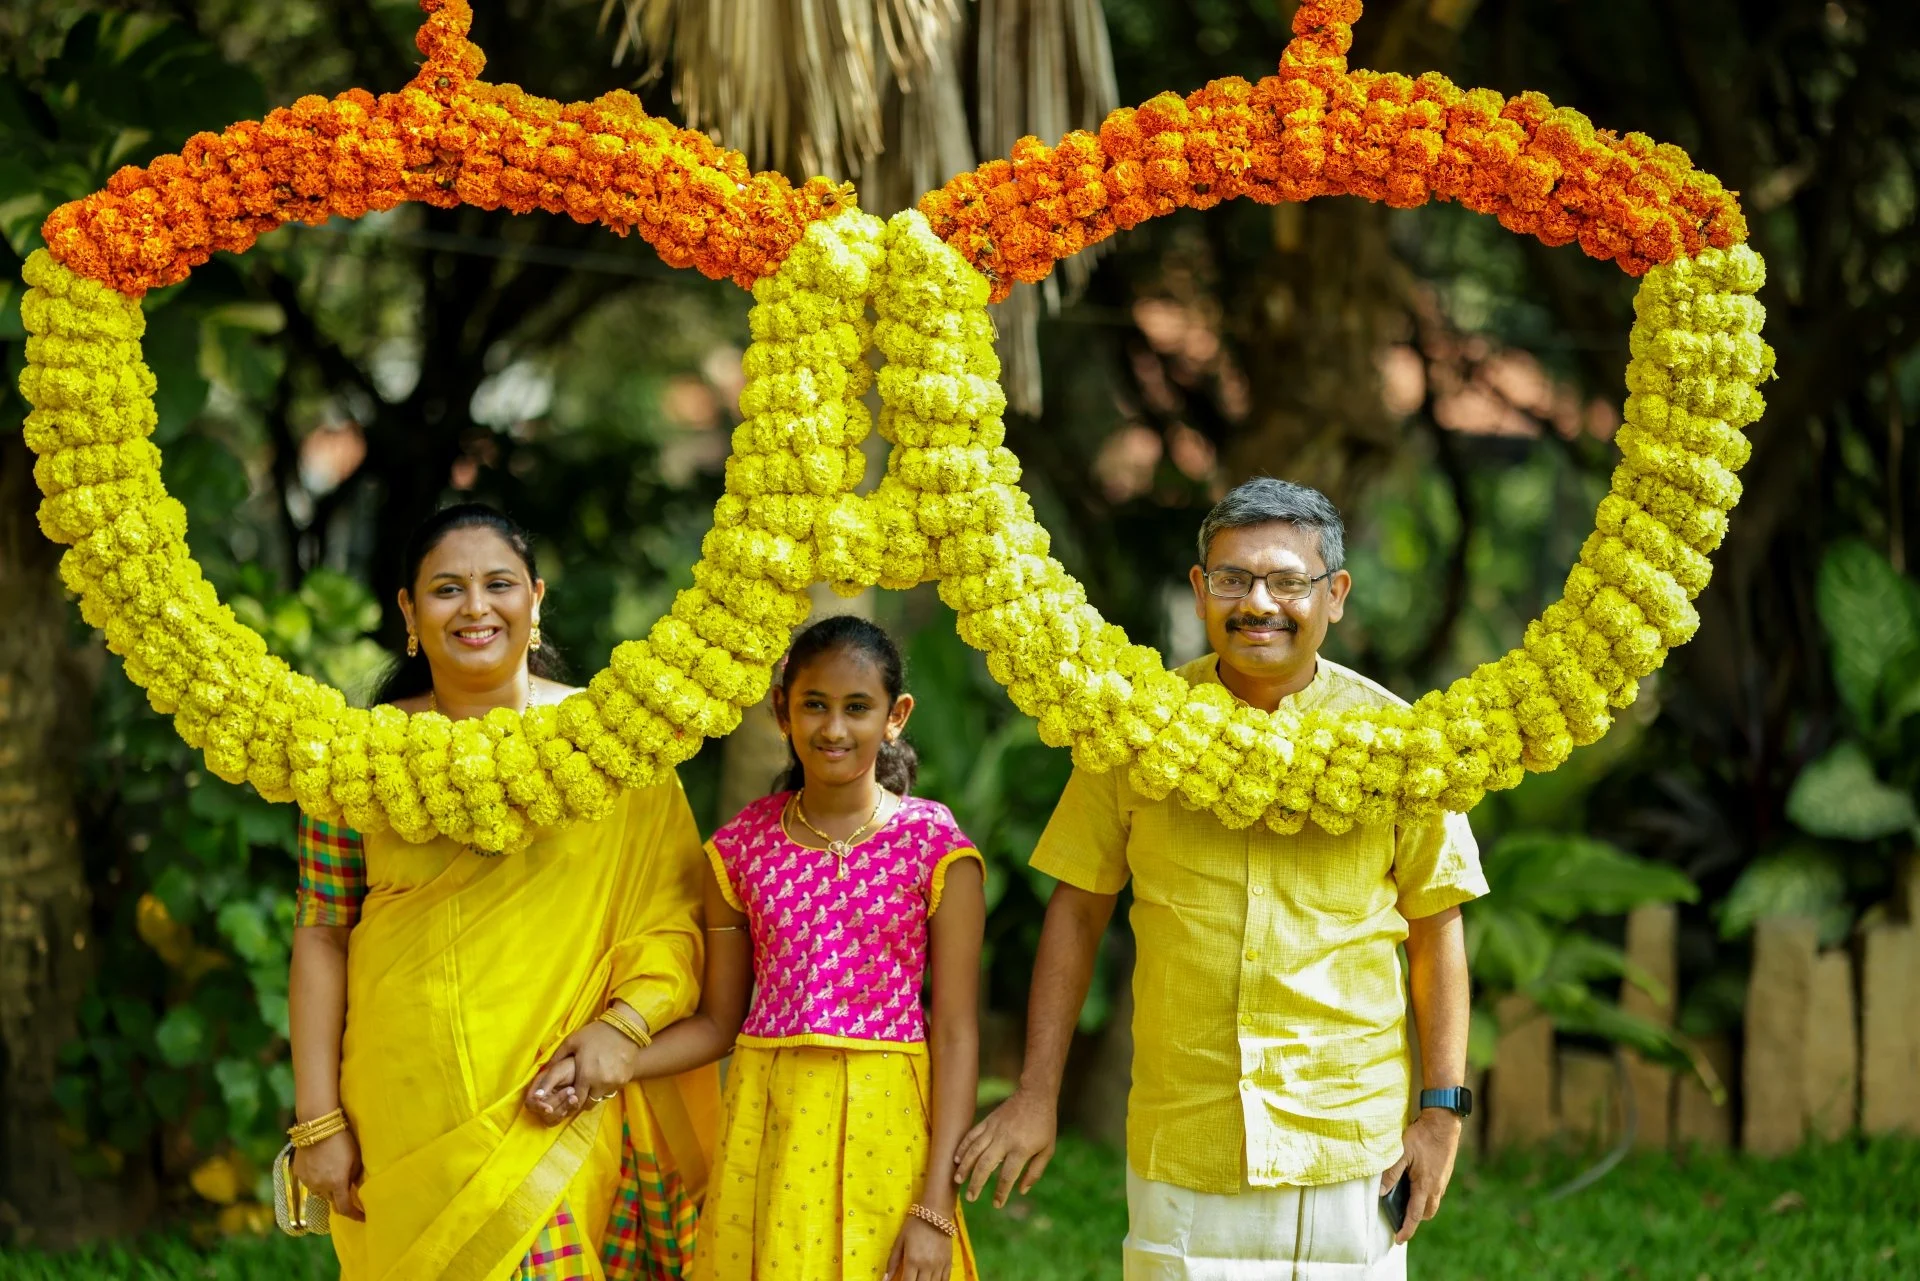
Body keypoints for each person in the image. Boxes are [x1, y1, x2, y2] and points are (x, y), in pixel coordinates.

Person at [953, 477, 1486, 1279]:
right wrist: (1036, 1093)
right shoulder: (1137, 728)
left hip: (1352, 1148)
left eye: (1287, 581)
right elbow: (1076, 910)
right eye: (1233, 579)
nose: (1258, 602)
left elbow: (1436, 929)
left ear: (1334, 594)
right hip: (1186, 1142)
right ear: (1201, 590)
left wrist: (1442, 1114)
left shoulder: (1396, 742)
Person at [288, 502, 720, 1280]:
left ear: (537, 599)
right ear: (409, 612)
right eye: (448, 589)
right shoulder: (357, 758)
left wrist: (624, 1028)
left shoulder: (612, 748)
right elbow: (322, 930)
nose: (477, 606)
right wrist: (319, 1120)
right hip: (403, 1107)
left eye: (499, 584)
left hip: (557, 1098)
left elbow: (672, 918)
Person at [530, 615, 986, 1281]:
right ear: (782, 709)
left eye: (857, 707)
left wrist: (934, 1208)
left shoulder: (936, 848)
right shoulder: (739, 850)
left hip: (887, 1139)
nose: (834, 728)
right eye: (815, 705)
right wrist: (611, 1062)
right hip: (766, 1135)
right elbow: (720, 1022)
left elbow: (955, 1031)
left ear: (896, 716)